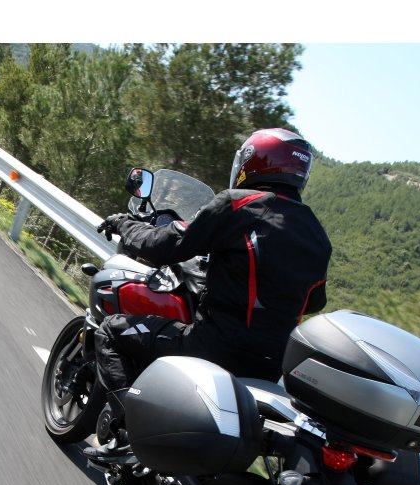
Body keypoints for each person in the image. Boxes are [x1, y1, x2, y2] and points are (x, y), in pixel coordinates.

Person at [85, 127, 333, 461]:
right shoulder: (317, 234)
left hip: (215, 347)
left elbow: (166, 245)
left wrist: (124, 224)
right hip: (270, 368)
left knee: (110, 331)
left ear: (251, 162)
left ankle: (129, 433)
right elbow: (315, 300)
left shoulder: (238, 204)